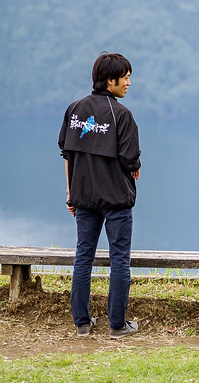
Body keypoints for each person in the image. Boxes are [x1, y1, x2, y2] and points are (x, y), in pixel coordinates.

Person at [58, 52, 141, 339]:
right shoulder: (121, 115)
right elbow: (130, 159)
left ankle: (82, 323)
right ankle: (118, 325)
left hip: (83, 197)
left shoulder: (75, 109)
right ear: (110, 80)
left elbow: (67, 153)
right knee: (119, 259)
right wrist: (136, 166)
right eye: (126, 77)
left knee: (83, 256)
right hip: (116, 198)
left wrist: (71, 193)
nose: (129, 82)